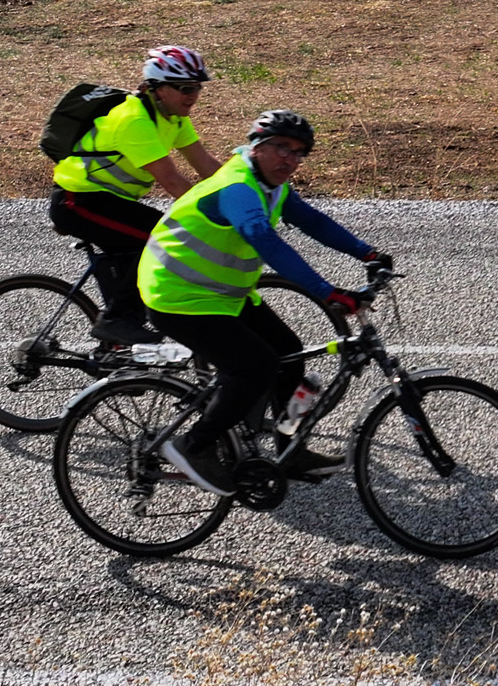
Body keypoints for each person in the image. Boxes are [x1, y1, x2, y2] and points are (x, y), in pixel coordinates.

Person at [142, 108, 390, 497]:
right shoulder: (237, 186)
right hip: (178, 294)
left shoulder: (272, 186)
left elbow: (313, 222)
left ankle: (288, 449)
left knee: (289, 354)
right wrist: (328, 292)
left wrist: (368, 253)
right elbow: (266, 241)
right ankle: (193, 447)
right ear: (256, 146)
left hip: (222, 292)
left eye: (298, 152)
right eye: (281, 148)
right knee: (255, 368)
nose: (289, 159)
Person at [49, 45, 224, 347]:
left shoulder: (173, 118)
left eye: (197, 87)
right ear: (157, 88)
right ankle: (118, 321)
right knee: (161, 238)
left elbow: (207, 165)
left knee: (150, 244)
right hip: (77, 201)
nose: (193, 95)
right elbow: (171, 181)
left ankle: (119, 350)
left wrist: (249, 191)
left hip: (109, 201)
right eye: (184, 88)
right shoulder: (135, 120)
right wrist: (215, 215)